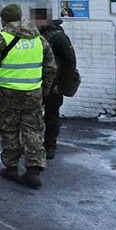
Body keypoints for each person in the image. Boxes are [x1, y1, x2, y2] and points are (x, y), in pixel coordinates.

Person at [0, 4, 56, 190]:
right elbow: (50, 67)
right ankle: (33, 170)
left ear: (4, 19)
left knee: (9, 129)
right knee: (32, 129)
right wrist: (43, 89)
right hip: (33, 93)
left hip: (8, 94)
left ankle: (11, 166)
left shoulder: (1, 39)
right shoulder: (39, 39)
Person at [32, 8, 77, 159]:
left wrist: (62, 86)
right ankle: (36, 145)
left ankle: (50, 145)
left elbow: (70, 63)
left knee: (51, 117)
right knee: (36, 116)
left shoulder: (59, 37)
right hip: (40, 83)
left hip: (54, 85)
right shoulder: (39, 35)